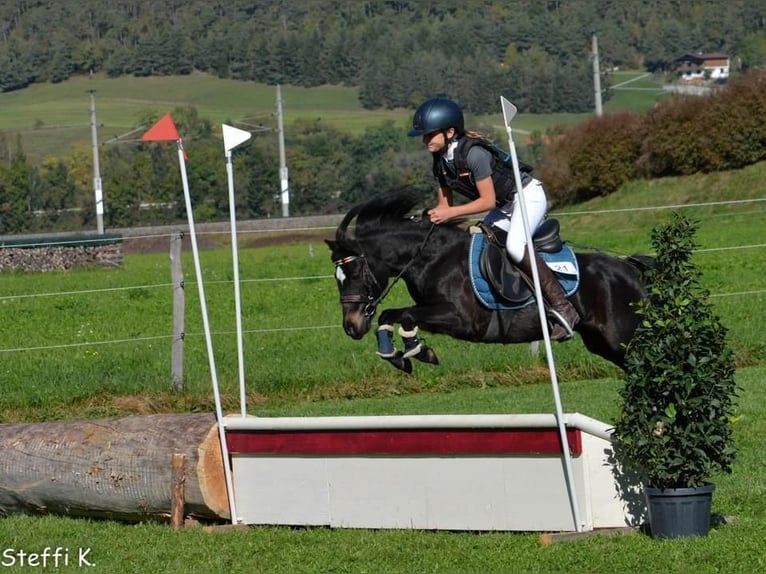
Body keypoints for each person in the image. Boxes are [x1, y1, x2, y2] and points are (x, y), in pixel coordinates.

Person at [408, 96, 579, 341]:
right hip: (504, 205)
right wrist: (425, 219)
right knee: (479, 243)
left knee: (515, 246)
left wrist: (450, 213)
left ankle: (564, 307)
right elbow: (444, 207)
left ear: (450, 132)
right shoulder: (440, 163)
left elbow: (486, 202)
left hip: (526, 196)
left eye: (429, 134)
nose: (425, 140)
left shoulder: (475, 155)